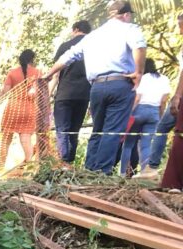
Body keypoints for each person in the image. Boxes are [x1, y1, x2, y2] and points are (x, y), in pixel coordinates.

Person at [44, 0, 146, 175]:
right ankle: (102, 172)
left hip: (97, 88)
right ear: (126, 15)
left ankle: (90, 170)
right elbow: (139, 46)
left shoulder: (93, 36)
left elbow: (69, 56)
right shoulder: (130, 29)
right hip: (120, 84)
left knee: (98, 129)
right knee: (112, 131)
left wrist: (48, 73)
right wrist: (139, 72)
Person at [146, 12, 183, 177]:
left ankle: (152, 167)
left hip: (181, 96)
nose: (179, 31)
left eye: (181, 26)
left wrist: (177, 96)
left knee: (163, 127)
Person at [52, 20, 93, 164]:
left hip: (64, 94)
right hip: (84, 95)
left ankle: (63, 162)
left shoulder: (65, 46)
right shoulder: (94, 47)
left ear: (75, 30)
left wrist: (49, 93)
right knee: (74, 130)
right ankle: (69, 162)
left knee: (62, 130)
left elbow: (56, 73)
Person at [122, 60, 170, 175]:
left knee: (128, 144)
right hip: (154, 112)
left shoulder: (142, 78)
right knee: (146, 144)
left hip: (139, 110)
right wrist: (160, 116)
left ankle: (123, 173)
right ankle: (145, 173)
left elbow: (137, 98)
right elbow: (163, 101)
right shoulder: (164, 79)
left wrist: (128, 114)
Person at [0, 50, 40, 168]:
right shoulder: (37, 72)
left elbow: (6, 92)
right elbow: (37, 92)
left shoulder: (12, 73)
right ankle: (30, 168)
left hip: (13, 109)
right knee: (26, 140)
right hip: (28, 109)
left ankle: (1, 167)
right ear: (32, 59)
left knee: (6, 139)